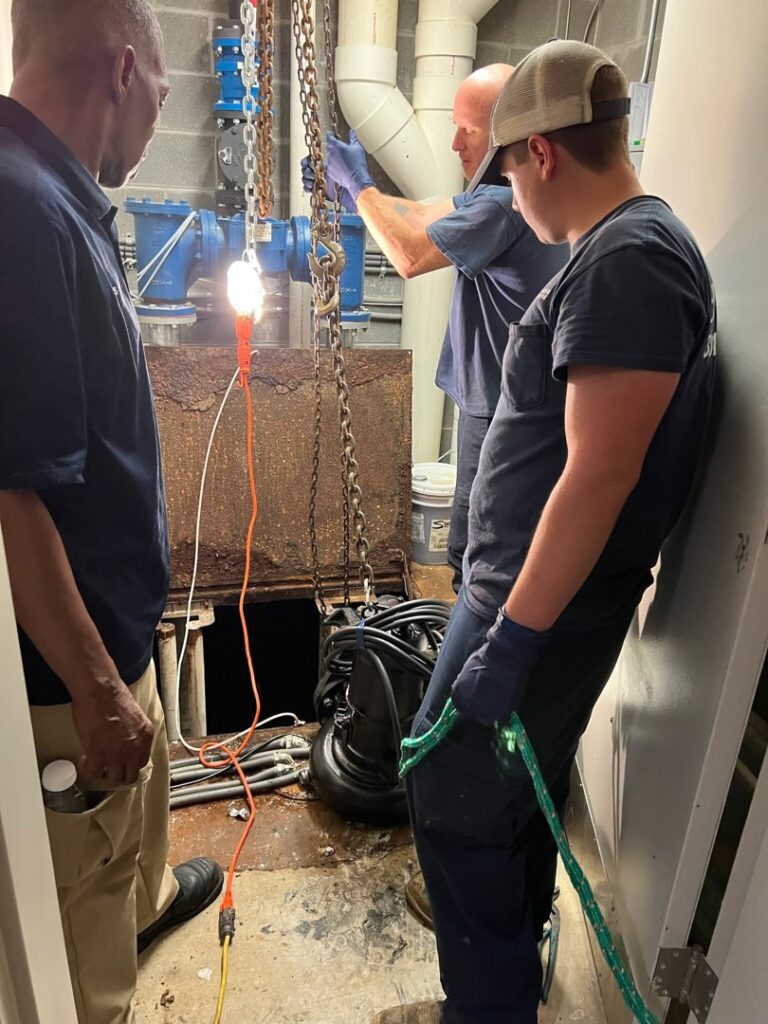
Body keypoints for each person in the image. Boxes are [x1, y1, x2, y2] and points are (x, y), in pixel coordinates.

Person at [374, 40, 717, 1024]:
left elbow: (600, 471)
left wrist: (511, 638)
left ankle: (483, 1010)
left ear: (543, 156)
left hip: (536, 610)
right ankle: (505, 993)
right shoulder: (621, 250)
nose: (502, 192)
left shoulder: (629, 259)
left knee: (457, 806)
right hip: (527, 597)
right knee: (503, 805)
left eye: (502, 168)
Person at [0, 2, 222, 1020]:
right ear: (125, 72)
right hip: (69, 670)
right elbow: (14, 491)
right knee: (82, 898)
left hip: (114, 627)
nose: (155, 116)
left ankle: (140, 903)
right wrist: (96, 691)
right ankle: (108, 977)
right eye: (166, 96)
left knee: (137, 827)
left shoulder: (56, 192)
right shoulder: (21, 210)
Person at [303, 64, 568, 591]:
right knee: (473, 544)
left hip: (504, 411)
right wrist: (354, 193)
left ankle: (476, 652)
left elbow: (409, 252)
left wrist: (359, 186)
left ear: (505, 132)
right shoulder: (494, 191)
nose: (453, 143)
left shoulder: (505, 203)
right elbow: (424, 213)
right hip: (493, 400)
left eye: (466, 130)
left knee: (480, 550)